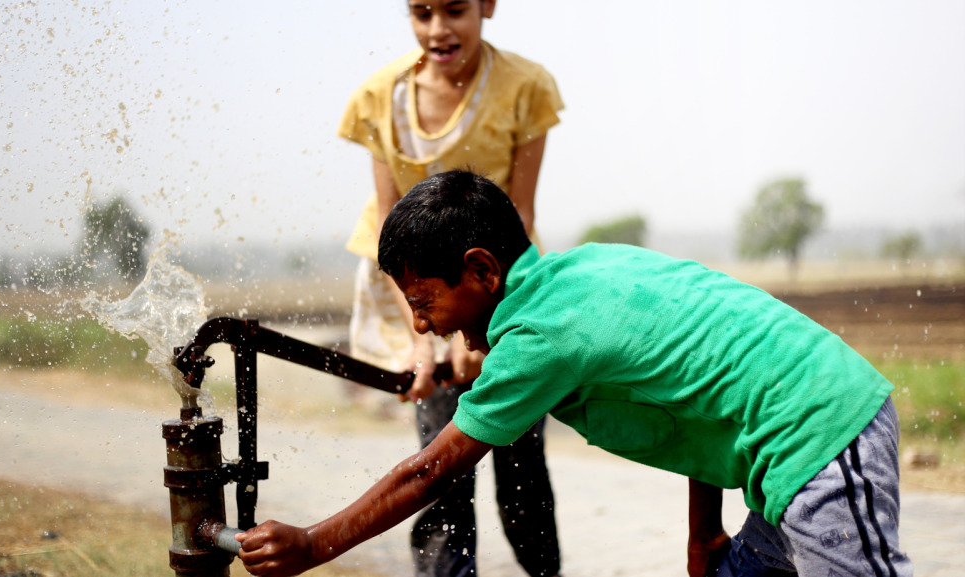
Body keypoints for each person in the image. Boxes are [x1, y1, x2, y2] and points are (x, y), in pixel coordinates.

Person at [237, 170, 914, 577]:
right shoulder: (583, 270)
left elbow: (429, 470)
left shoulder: (535, 337)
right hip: (798, 445)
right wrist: (703, 533)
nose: (422, 326)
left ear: (481, 270)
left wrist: (311, 542)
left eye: (424, 302)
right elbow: (696, 389)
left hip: (820, 439)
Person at [336, 1, 564, 576]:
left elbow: (522, 216)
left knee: (520, 461)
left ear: (487, 6)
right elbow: (391, 231)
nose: (440, 27)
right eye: (422, 12)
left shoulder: (525, 86)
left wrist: (484, 330)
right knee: (442, 464)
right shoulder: (380, 97)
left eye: (456, 9)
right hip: (413, 293)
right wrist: (426, 344)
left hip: (498, 283)